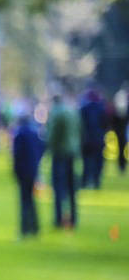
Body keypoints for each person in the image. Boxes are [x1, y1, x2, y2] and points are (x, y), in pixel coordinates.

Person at [45, 92, 80, 229]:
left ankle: (59, 219)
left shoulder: (57, 113)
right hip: (72, 152)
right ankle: (74, 218)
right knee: (72, 188)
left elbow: (53, 135)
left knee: (59, 187)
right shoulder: (72, 112)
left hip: (60, 153)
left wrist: (49, 149)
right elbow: (80, 131)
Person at [11, 109, 45, 238]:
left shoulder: (19, 134)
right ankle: (35, 228)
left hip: (23, 171)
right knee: (31, 200)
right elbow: (43, 147)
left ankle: (25, 229)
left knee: (25, 200)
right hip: (33, 170)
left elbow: (16, 155)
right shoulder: (35, 133)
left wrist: (15, 171)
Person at [78, 87, 107, 189]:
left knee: (87, 162)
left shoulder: (83, 108)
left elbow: (80, 125)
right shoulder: (101, 108)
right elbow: (105, 124)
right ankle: (96, 181)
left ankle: (85, 181)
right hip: (98, 139)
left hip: (87, 140)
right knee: (98, 161)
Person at [112, 83, 129, 175]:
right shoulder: (123, 99)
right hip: (122, 129)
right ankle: (122, 166)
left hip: (120, 129)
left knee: (121, 147)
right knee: (122, 147)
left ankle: (121, 166)